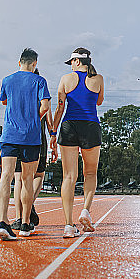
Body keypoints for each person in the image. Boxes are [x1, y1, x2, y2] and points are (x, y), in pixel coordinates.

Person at [0, 48, 51, 240]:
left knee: (6, 176)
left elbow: (4, 101)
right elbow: (45, 106)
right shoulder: (40, 81)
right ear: (34, 64)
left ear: (19, 63)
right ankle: (25, 224)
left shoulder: (7, 80)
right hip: (31, 136)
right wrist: (34, 118)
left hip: (9, 135)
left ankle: (3, 222)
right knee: (28, 179)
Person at [52, 47, 104, 238]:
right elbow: (99, 102)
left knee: (69, 176)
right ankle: (85, 211)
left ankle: (68, 225)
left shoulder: (66, 79)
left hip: (69, 126)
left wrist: (53, 132)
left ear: (76, 61)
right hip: (90, 126)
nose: (71, 66)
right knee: (90, 172)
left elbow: (59, 108)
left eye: (71, 62)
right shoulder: (98, 79)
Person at [11, 69, 57, 232]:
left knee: (19, 178)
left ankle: (19, 218)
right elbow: (49, 118)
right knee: (37, 175)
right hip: (37, 138)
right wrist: (53, 136)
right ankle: (28, 205)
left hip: (16, 137)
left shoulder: (16, 91)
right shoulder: (41, 91)